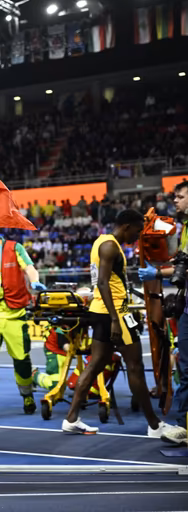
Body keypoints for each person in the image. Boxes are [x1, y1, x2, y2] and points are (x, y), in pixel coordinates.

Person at [63, 209, 174, 437]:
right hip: (114, 315)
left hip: (103, 312)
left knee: (95, 364)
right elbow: (102, 283)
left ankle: (71, 419)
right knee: (135, 366)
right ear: (126, 226)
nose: (137, 235)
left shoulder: (101, 242)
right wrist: (115, 319)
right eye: (136, 230)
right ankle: (154, 425)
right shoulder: (110, 246)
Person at [0, 229, 46, 420]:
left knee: (22, 360)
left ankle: (27, 395)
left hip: (16, 314)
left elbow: (29, 267)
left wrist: (35, 281)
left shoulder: (15, 248)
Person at [139, 180, 188, 445]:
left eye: (180, 197)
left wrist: (157, 272)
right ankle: (183, 425)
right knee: (186, 365)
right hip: (187, 304)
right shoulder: (183, 229)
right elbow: (181, 261)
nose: (176, 201)